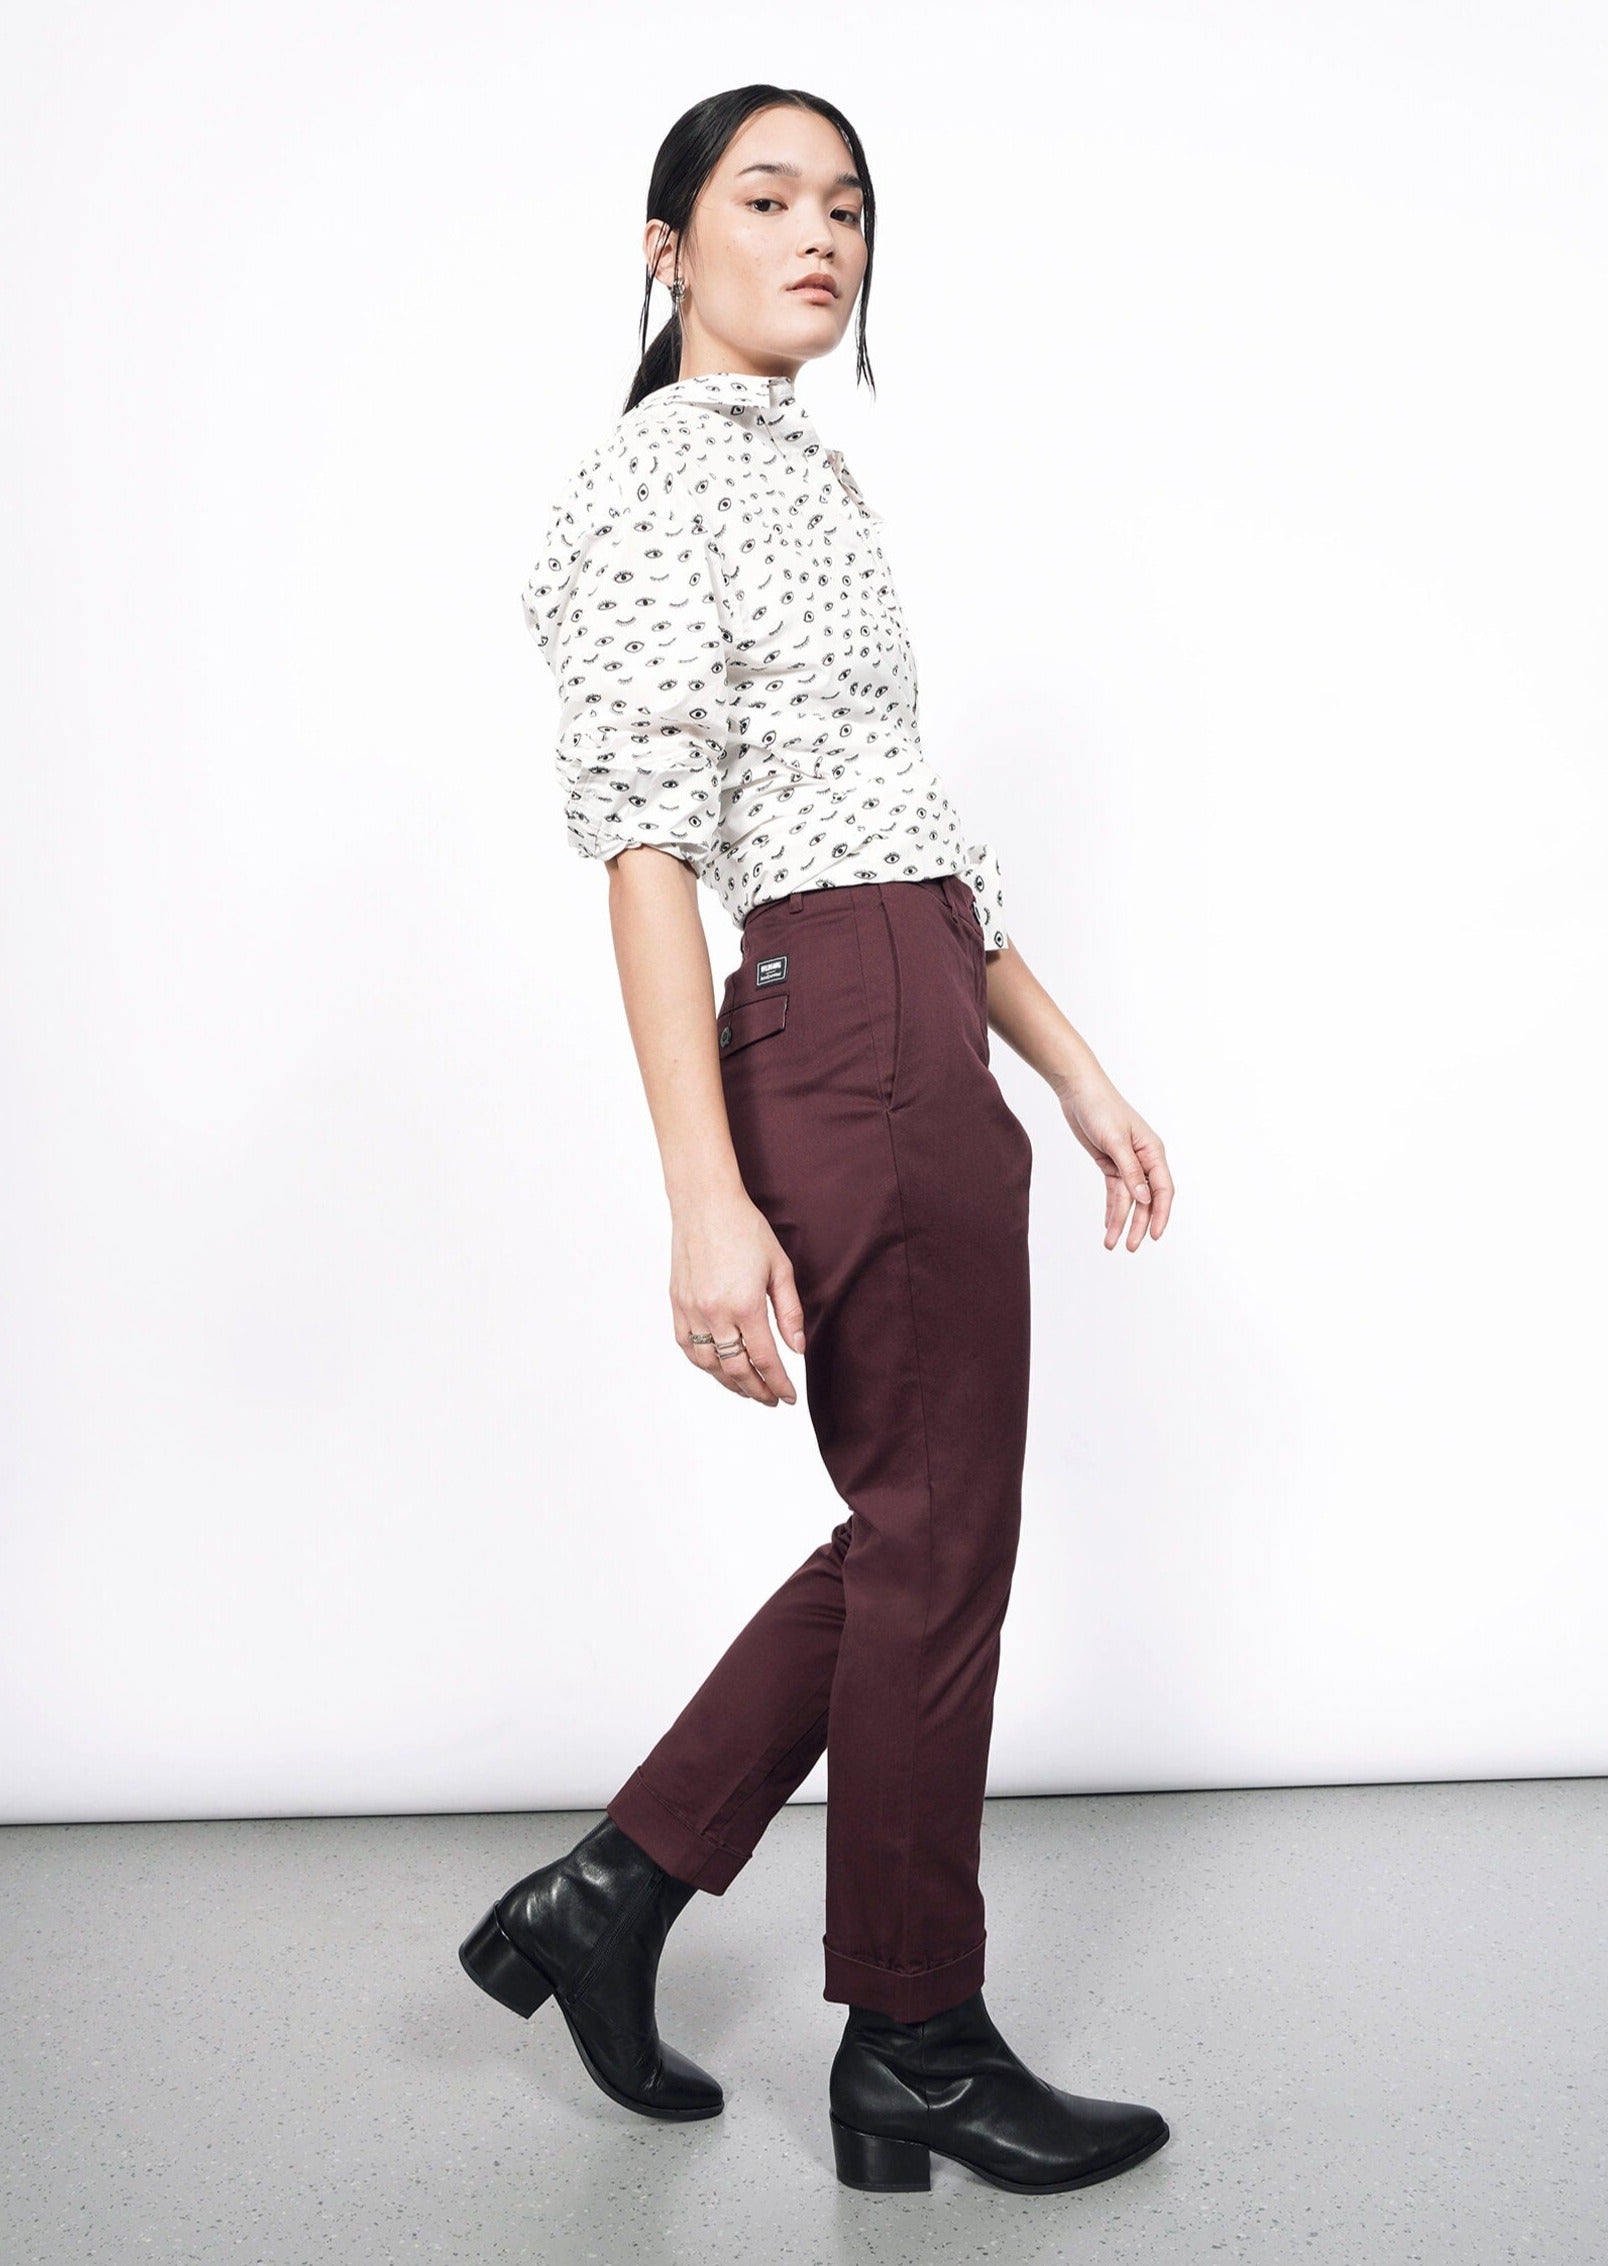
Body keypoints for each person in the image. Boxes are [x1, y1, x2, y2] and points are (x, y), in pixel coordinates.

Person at [460, 85, 1176, 2198]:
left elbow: (915, 827)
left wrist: (1072, 1063)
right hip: (839, 1026)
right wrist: (699, 1189)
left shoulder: (812, 482)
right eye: (768, 197)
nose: (822, 232)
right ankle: (916, 2039)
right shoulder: (654, 481)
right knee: (937, 1527)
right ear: (664, 244)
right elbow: (648, 840)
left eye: (849, 205)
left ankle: (616, 1890)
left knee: (913, 1520)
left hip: (915, 1000)